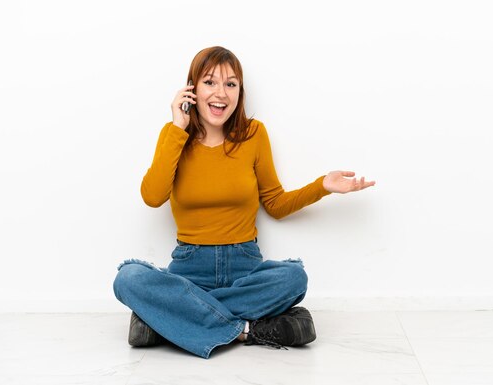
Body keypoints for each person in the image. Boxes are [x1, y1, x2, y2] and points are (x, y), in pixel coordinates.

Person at [112, 46, 375, 359]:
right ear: (192, 88)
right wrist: (177, 128)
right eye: (210, 82)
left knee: (294, 278)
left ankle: (172, 318)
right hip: (189, 270)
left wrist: (323, 186)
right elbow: (152, 197)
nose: (220, 92)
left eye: (230, 84)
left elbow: (275, 204)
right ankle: (246, 330)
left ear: (240, 92)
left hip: (244, 268)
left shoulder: (253, 134)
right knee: (128, 279)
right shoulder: (174, 137)